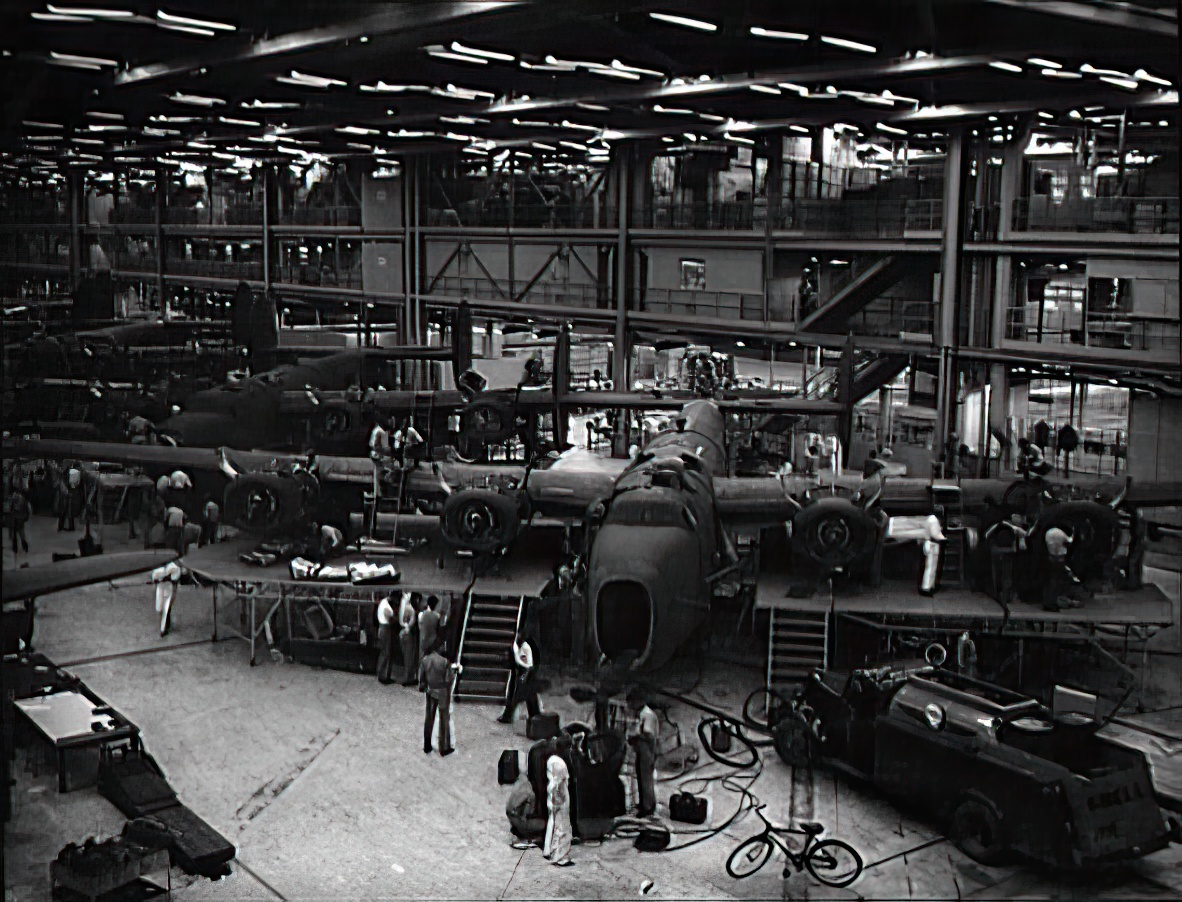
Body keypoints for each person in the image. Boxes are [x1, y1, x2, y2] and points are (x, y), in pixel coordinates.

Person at [420, 642, 458, 757]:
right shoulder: (444, 662)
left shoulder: (425, 660)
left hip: (430, 690)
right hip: (442, 691)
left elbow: (422, 679)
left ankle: (427, 745)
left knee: (429, 718)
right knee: (444, 719)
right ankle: (444, 747)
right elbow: (448, 679)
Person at [984, 513, 1028, 607]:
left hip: (995, 552)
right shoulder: (1015, 529)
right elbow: (1025, 535)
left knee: (996, 574)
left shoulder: (996, 526)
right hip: (1008, 552)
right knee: (1007, 575)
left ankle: (997, 595)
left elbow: (987, 535)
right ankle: (1006, 597)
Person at [499, 629, 542, 724]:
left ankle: (509, 715)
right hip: (519, 671)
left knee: (520, 695)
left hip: (525, 673)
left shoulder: (526, 648)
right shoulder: (515, 646)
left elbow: (529, 665)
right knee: (525, 695)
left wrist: (524, 677)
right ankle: (533, 715)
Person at [628, 689, 659, 818]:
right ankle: (643, 803)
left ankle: (648, 807)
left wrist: (636, 737)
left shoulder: (648, 715)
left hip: (647, 751)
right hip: (641, 750)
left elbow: (649, 734)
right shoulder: (641, 714)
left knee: (646, 779)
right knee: (641, 777)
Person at [543, 756, 574, 866]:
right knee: (561, 827)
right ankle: (559, 856)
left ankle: (549, 850)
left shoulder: (553, 782)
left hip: (555, 801)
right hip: (559, 803)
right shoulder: (558, 784)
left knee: (553, 824)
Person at [1043, 525, 1078, 611]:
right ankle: (1052, 603)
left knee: (1051, 582)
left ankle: (1048, 602)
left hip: (1051, 558)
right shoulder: (1061, 535)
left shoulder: (1049, 533)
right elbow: (1069, 541)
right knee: (1056, 582)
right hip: (1058, 559)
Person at [151, 560, 182, 637]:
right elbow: (154, 579)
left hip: (168, 587)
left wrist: (169, 578)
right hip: (160, 588)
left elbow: (175, 579)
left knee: (166, 607)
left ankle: (163, 629)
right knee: (159, 608)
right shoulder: (157, 568)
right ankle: (164, 625)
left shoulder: (173, 567)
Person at [398, 591, 420, 686]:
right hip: (408, 633)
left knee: (407, 656)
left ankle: (408, 677)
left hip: (403, 632)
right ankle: (408, 678)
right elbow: (410, 623)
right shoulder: (411, 610)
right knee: (409, 656)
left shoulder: (404, 606)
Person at [418, 595, 442, 676]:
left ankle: (421, 680)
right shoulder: (437, 616)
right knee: (431, 662)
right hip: (432, 641)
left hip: (423, 640)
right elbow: (438, 629)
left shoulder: (421, 615)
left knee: (422, 660)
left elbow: (420, 627)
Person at [375, 593, 396, 685]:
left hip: (382, 627)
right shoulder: (386, 607)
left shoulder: (383, 602)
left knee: (384, 651)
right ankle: (383, 675)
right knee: (386, 652)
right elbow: (391, 618)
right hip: (386, 628)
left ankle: (381, 673)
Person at [7, 488, 30, 554]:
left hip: (15, 518)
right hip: (21, 518)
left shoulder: (13, 499)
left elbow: (10, 509)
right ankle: (25, 546)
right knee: (21, 532)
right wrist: (26, 517)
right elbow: (26, 509)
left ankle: (15, 548)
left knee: (15, 534)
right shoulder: (23, 499)